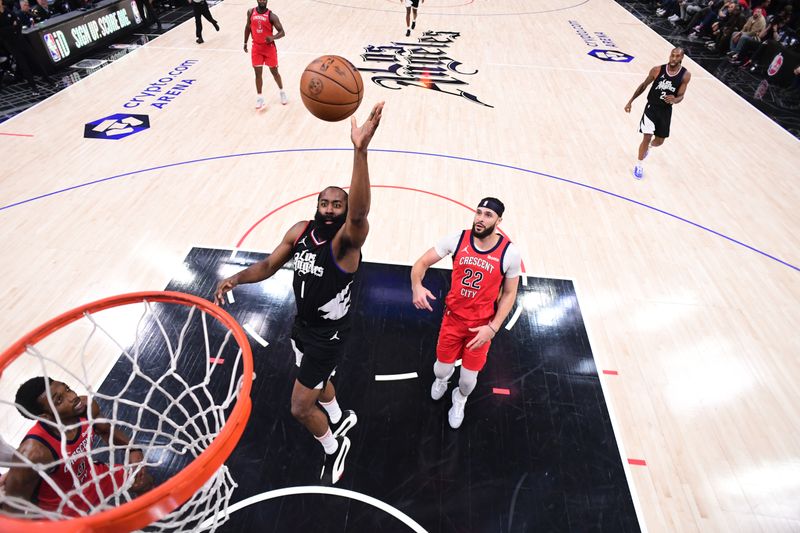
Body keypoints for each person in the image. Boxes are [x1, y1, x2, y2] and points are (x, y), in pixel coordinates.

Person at [214, 102, 384, 485]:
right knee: (320, 382)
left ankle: (332, 445)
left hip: (329, 336)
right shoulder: (300, 231)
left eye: (336, 204)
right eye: (324, 202)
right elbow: (269, 266)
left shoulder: (345, 243)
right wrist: (236, 279)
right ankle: (339, 415)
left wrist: (360, 151)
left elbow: (359, 215)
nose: (329, 209)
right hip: (303, 326)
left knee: (299, 406)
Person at [410, 197, 521, 429]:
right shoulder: (457, 239)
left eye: (488, 215)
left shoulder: (509, 254)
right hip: (453, 319)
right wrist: (416, 286)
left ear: (499, 220)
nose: (480, 219)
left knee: (468, 381)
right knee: (441, 369)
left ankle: (459, 399)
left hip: (481, 327)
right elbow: (421, 263)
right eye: (478, 212)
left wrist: (493, 328)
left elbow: (510, 294)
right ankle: (442, 381)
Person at [2, 377, 153, 515]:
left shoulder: (85, 407)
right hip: (58, 507)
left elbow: (106, 431)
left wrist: (133, 449)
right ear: (45, 417)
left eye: (67, 388)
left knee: (144, 482)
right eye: (59, 400)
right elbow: (14, 509)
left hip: (90, 477)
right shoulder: (34, 453)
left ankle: (148, 517)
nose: (72, 397)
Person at [624, 47, 691, 180]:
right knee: (646, 136)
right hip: (651, 108)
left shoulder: (685, 75)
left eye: (677, 56)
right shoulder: (657, 70)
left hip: (666, 111)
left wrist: (675, 99)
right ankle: (639, 164)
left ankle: (649, 147)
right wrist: (630, 101)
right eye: (672, 55)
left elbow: (681, 95)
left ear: (682, 58)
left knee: (660, 141)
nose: (674, 58)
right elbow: (644, 85)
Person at [243, 0, 286, 110]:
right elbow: (248, 27)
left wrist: (273, 37)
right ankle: (260, 97)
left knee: (275, 72)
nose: (262, 1)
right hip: (256, 47)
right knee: (258, 74)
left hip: (269, 48)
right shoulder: (250, 12)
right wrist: (245, 42)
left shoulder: (272, 16)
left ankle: (282, 91)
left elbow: (282, 32)